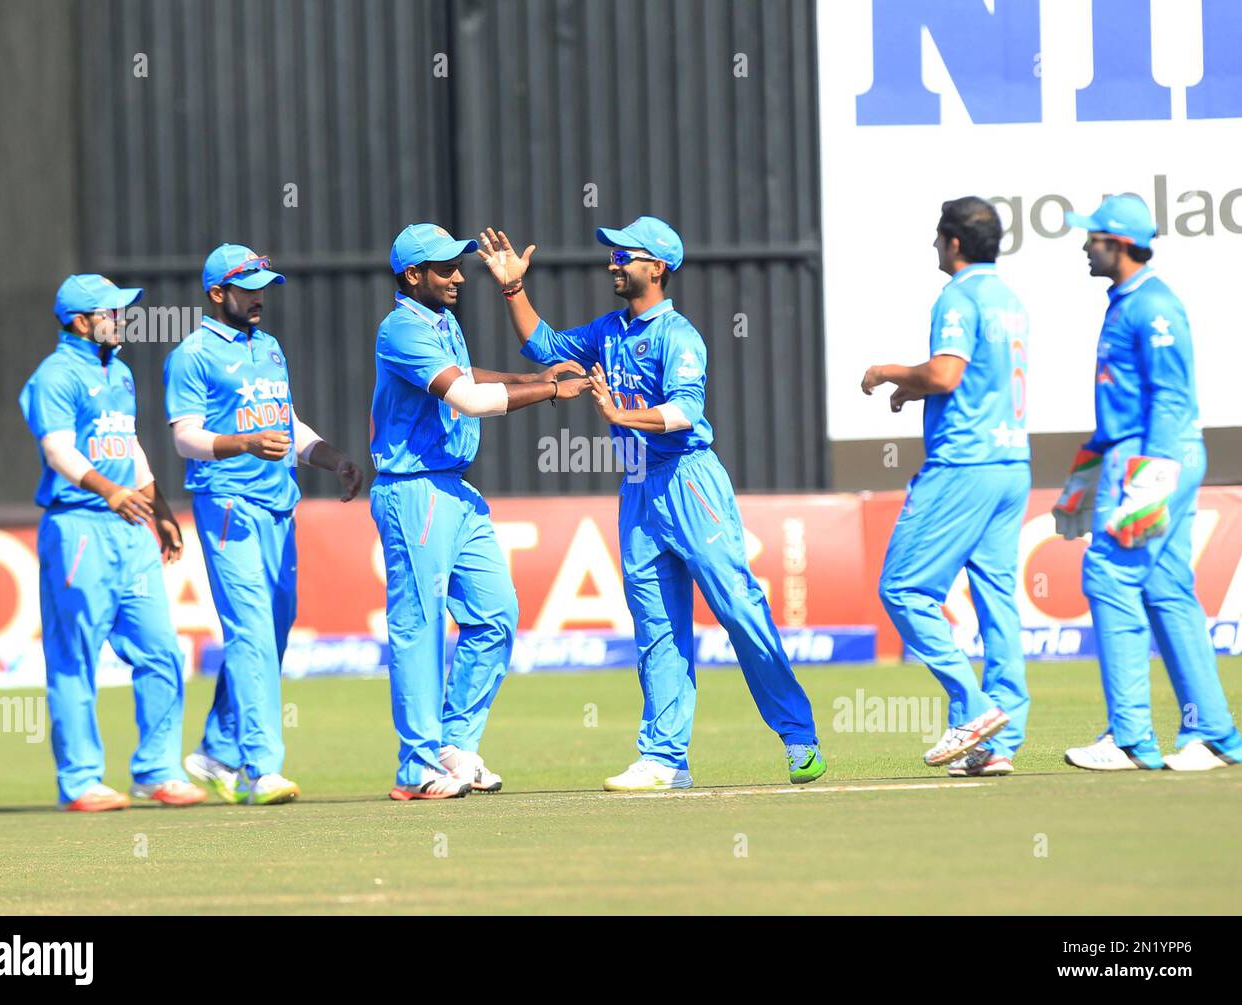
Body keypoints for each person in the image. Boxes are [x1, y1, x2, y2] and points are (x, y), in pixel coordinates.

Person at [478, 217, 826, 791]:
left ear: (657, 267)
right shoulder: (608, 330)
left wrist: (618, 416)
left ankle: (799, 738)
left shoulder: (679, 335)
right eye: (613, 254)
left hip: (690, 482)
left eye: (625, 255)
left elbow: (685, 411)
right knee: (657, 626)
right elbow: (543, 347)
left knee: (738, 608)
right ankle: (665, 758)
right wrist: (513, 287)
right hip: (639, 489)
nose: (613, 262)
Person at [371, 223, 589, 800]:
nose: (459, 277)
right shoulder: (400, 328)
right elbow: (466, 399)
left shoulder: (441, 322)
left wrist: (533, 376)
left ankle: (455, 748)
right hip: (413, 489)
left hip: (454, 491)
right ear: (412, 275)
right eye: (446, 269)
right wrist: (549, 392)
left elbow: (469, 378)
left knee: (496, 613)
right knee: (419, 627)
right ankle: (416, 764)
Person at [164, 244, 363, 805]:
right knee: (250, 630)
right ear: (216, 293)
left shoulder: (269, 347)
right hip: (228, 503)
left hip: (279, 503)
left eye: (264, 286)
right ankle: (262, 768)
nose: (259, 297)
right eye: (248, 287)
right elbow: (185, 435)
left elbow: (286, 424)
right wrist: (242, 445)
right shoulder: (192, 354)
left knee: (273, 627)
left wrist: (330, 457)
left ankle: (215, 752)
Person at [1054, 194, 1241, 772]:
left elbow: (1170, 398)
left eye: (1094, 237)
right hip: (1138, 457)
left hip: (1154, 459)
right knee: (1166, 592)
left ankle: (1131, 738)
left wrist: (1149, 479)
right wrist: (1083, 479)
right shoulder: (1125, 302)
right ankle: (1213, 735)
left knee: (1108, 573)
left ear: (1121, 244)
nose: (1085, 245)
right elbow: (1121, 404)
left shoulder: (1153, 306)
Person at [20, 274, 205, 811]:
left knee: (161, 652)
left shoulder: (119, 372)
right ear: (82, 321)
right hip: (79, 527)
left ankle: (156, 770)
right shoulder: (55, 375)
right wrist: (110, 491)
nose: (123, 319)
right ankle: (80, 781)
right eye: (113, 312)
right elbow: (58, 449)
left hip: (130, 530)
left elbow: (129, 446)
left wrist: (161, 510)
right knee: (75, 658)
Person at [861, 196, 1031, 775]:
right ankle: (998, 742)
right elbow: (968, 378)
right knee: (996, 601)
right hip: (1013, 464)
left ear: (955, 242)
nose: (935, 246)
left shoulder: (957, 296)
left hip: (964, 465)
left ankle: (973, 706)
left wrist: (887, 372)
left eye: (939, 237)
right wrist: (921, 390)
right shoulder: (1009, 299)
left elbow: (946, 372)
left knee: (903, 588)